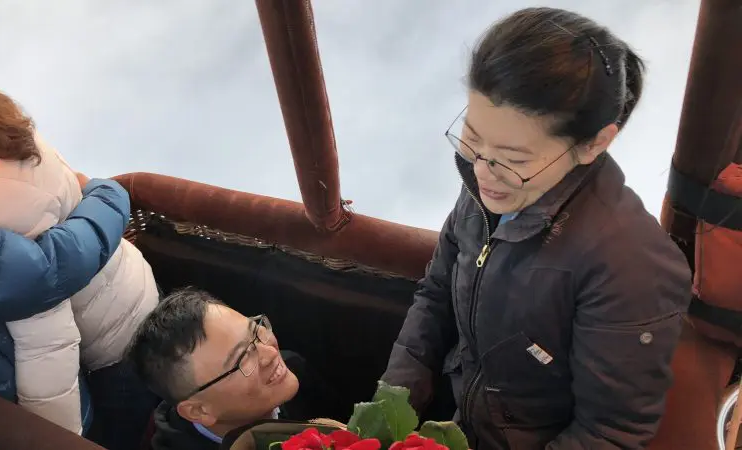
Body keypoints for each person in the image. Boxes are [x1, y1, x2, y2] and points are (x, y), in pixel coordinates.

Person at [381, 7, 693, 450]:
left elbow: (608, 434)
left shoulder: (631, 267)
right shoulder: (485, 185)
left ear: (595, 143)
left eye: (514, 159)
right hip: (462, 427)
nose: (483, 171)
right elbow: (436, 295)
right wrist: (388, 408)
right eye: (471, 137)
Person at [0, 45, 159, 449]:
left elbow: (45, 330)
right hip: (124, 296)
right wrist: (105, 194)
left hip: (117, 343)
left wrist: (59, 438)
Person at [126, 288, 341, 450]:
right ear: (199, 410)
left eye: (256, 331)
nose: (270, 353)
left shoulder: (293, 369)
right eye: (242, 359)